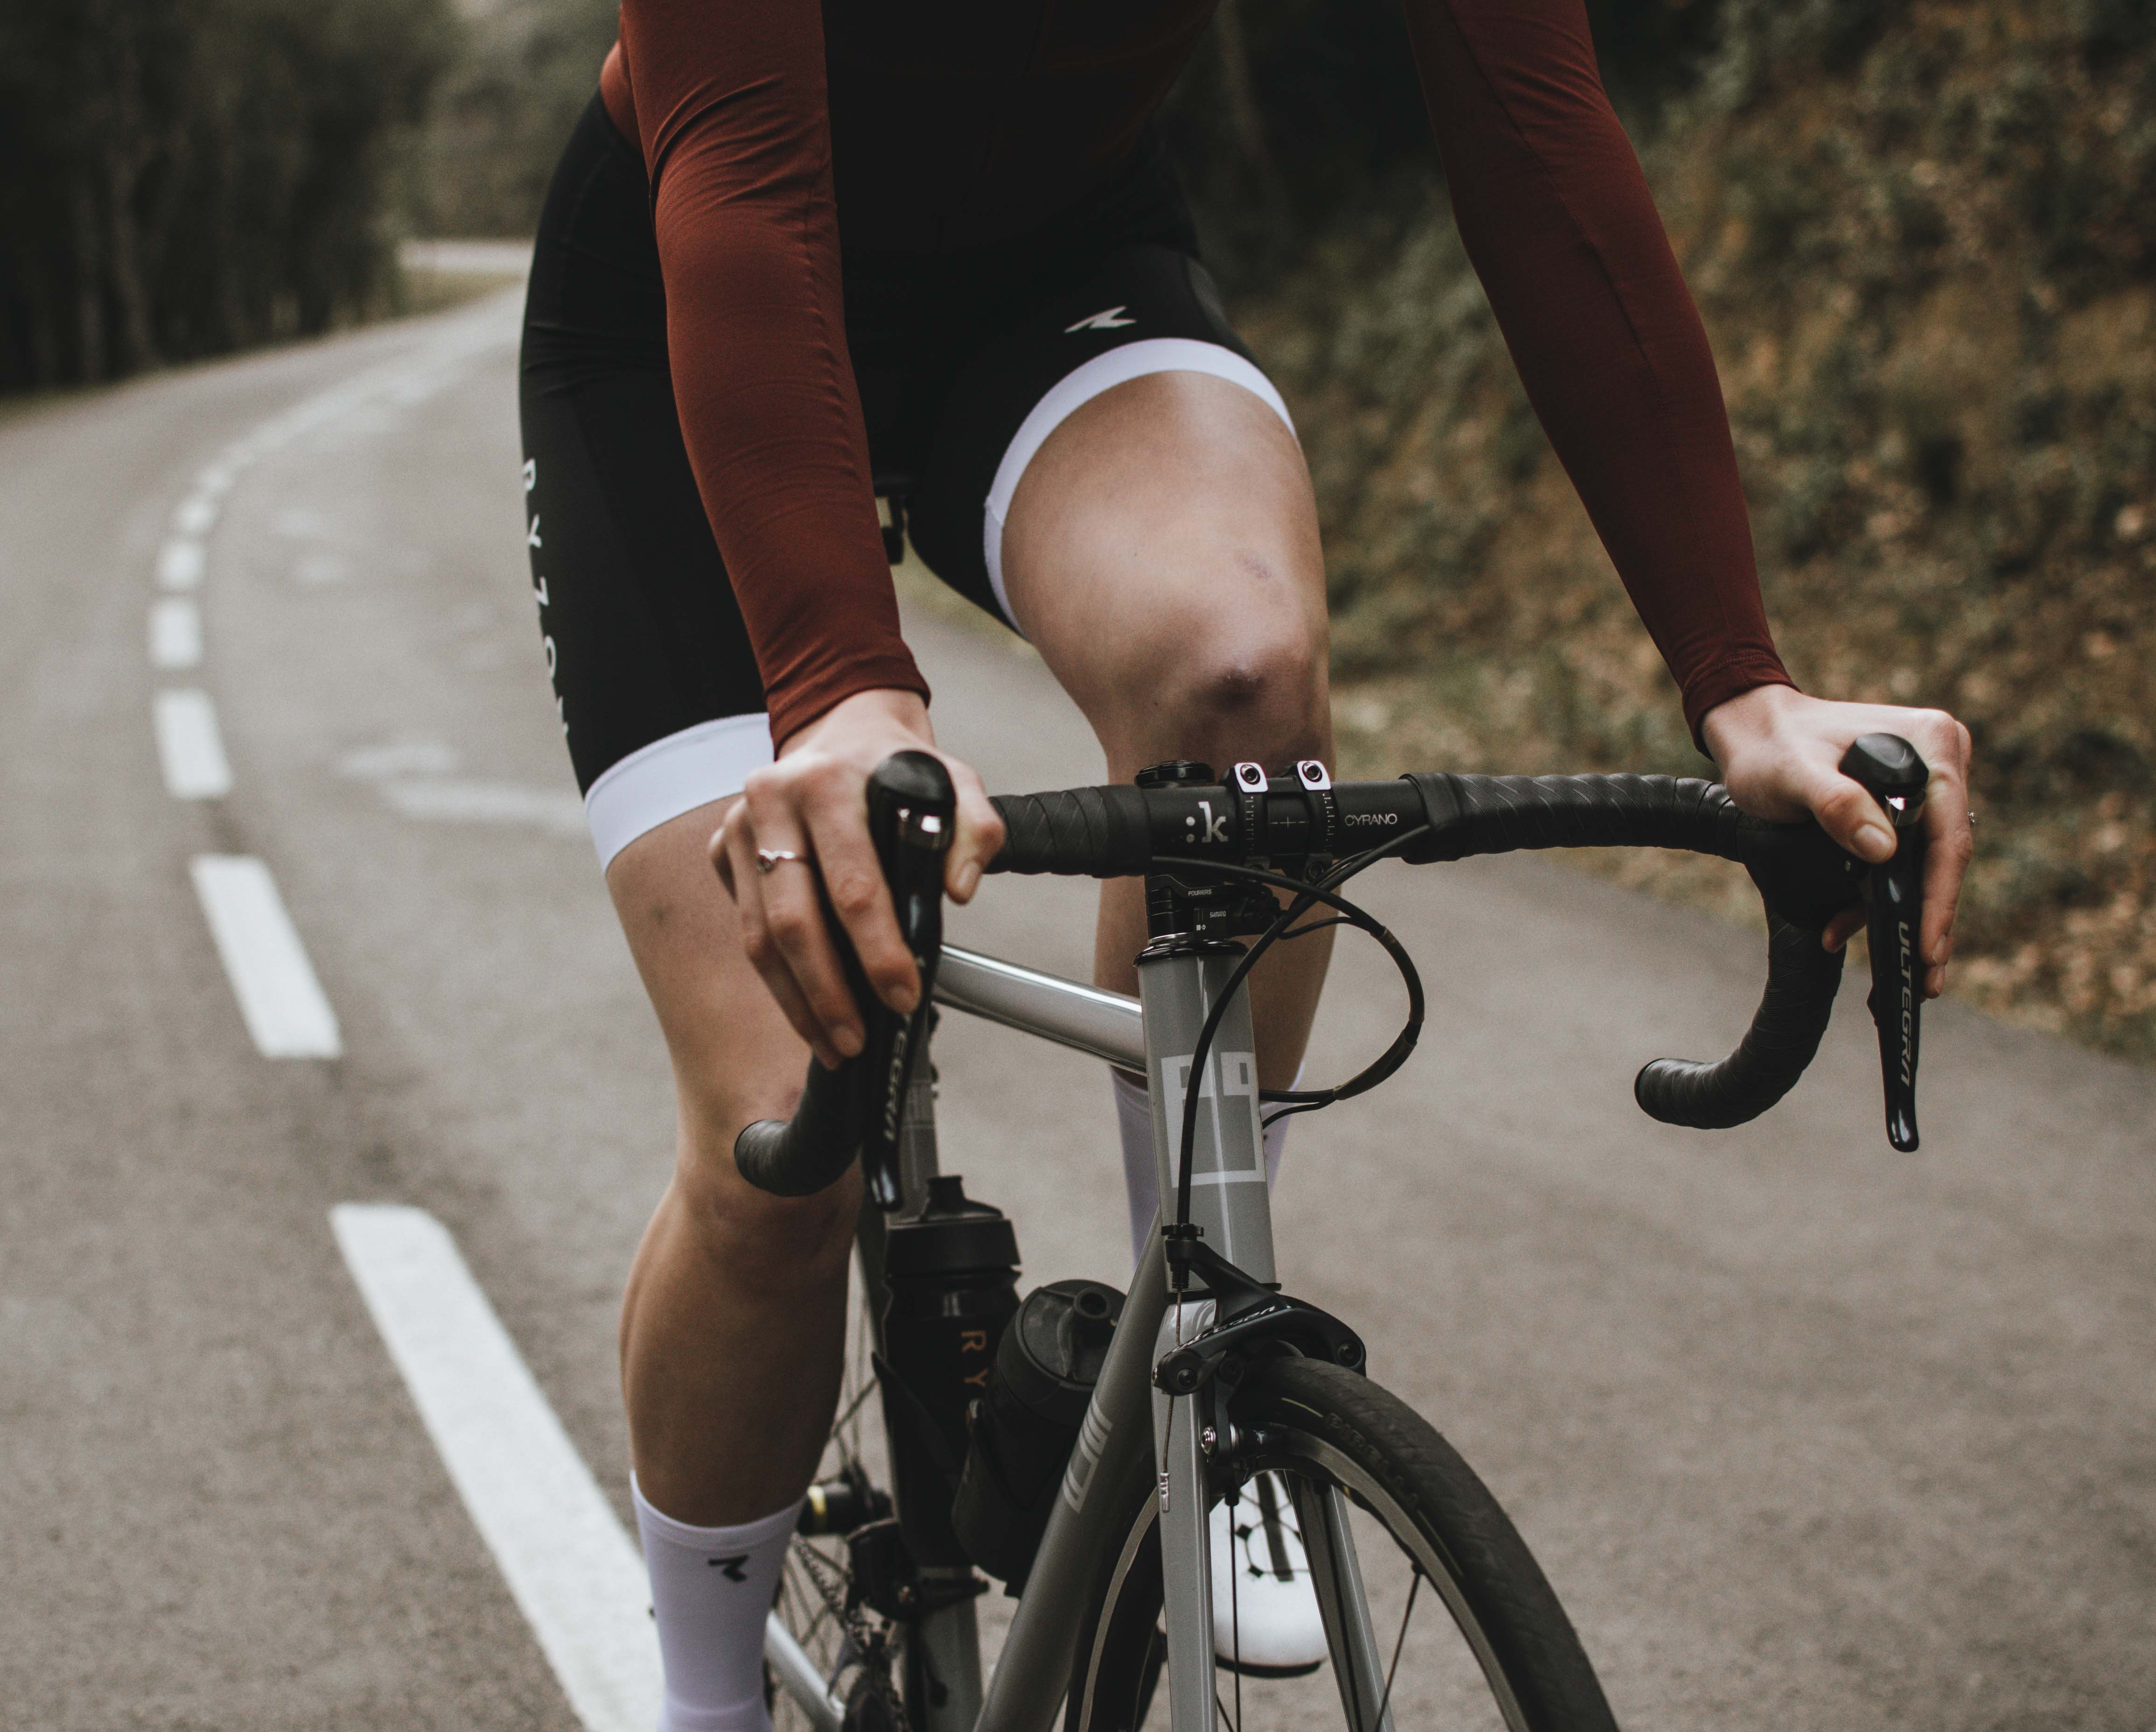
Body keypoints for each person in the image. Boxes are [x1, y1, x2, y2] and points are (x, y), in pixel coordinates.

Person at [516, 0, 1975, 1723]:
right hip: (695, 286)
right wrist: (844, 693)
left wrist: (1743, 677)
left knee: (1243, 681)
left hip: (1055, 282)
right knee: (783, 1119)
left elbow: (1533, 126)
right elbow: (748, 167)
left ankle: (1189, 1382)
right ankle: (698, 1697)